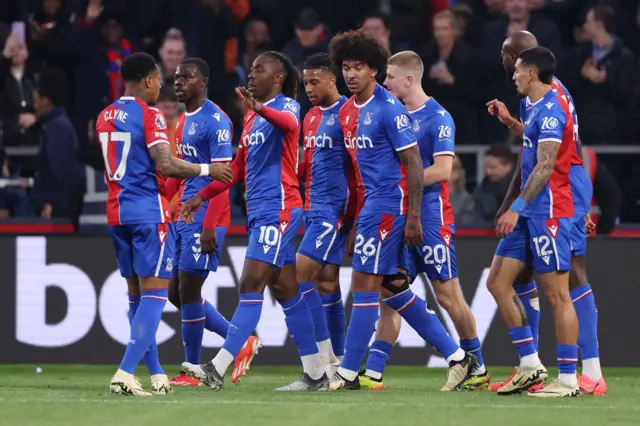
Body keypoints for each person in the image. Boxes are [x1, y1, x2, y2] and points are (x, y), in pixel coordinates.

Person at [327, 31, 475, 391]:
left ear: (374, 70)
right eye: (346, 67)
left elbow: (411, 163)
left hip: (391, 208)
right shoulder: (348, 111)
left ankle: (348, 372)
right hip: (369, 207)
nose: (350, 74)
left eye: (358, 67)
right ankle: (458, 357)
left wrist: (412, 217)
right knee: (392, 288)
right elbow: (358, 171)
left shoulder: (389, 109)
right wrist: (351, 221)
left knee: (365, 285)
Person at [180, 51, 328, 392]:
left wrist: (260, 108)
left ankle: (216, 369)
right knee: (287, 291)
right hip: (261, 213)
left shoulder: (287, 106)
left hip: (280, 210)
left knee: (250, 283)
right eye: (251, 69)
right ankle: (316, 374)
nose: (251, 74)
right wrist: (201, 196)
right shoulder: (250, 121)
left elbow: (290, 125)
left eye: (259, 70)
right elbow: (237, 168)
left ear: (277, 78)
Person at [95, 52, 233, 396]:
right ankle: (126, 372)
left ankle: (155, 374)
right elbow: (167, 165)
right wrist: (207, 170)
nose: (163, 87)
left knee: (136, 297)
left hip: (116, 211)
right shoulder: (149, 114)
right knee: (156, 295)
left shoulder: (104, 115)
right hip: (147, 213)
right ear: (147, 81)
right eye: (159, 80)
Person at [487, 31, 606, 396]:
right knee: (502, 281)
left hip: (557, 197)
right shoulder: (532, 100)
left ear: (527, 63)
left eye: (510, 59)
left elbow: (559, 153)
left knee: (566, 283)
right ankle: (531, 365)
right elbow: (535, 144)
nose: (507, 68)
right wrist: (511, 124)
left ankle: (586, 374)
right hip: (541, 197)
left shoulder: (554, 98)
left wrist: (579, 202)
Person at [167, 58, 260, 387]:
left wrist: (211, 223)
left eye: (187, 77)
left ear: (203, 81)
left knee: (189, 287)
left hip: (206, 214)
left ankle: (191, 368)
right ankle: (241, 339)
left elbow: (224, 174)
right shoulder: (181, 121)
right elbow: (179, 174)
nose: (180, 82)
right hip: (184, 213)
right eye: (177, 77)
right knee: (176, 294)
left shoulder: (216, 121)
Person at [296, 53, 351, 369]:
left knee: (297, 279)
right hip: (312, 210)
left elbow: (358, 169)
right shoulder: (311, 117)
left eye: (314, 81)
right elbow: (309, 162)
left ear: (333, 79)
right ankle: (340, 361)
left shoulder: (348, 113)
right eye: (305, 83)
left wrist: (354, 219)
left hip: (334, 214)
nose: (309, 88)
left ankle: (319, 362)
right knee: (328, 284)